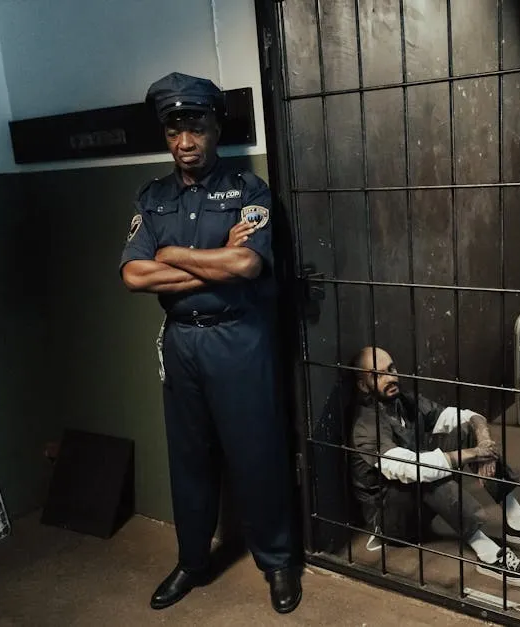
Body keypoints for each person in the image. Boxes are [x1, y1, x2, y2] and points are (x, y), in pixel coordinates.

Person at [119, 72, 301, 614]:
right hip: (182, 345)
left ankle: (278, 562)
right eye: (174, 131)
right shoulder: (151, 198)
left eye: (195, 127)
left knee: (258, 455)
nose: (185, 142)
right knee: (190, 460)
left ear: (214, 126)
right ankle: (193, 562)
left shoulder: (248, 189)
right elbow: (133, 276)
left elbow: (246, 263)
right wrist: (210, 264)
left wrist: (171, 256)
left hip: (238, 341)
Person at [347, 346, 520, 587]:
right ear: (362, 385)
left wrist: (483, 441)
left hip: (419, 505)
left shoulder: (404, 401)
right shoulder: (366, 425)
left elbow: (463, 416)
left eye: (391, 369)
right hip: (393, 521)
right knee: (424, 470)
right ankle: (486, 552)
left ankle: (514, 520)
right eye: (378, 375)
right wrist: (473, 453)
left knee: (466, 433)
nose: (390, 378)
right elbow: (409, 468)